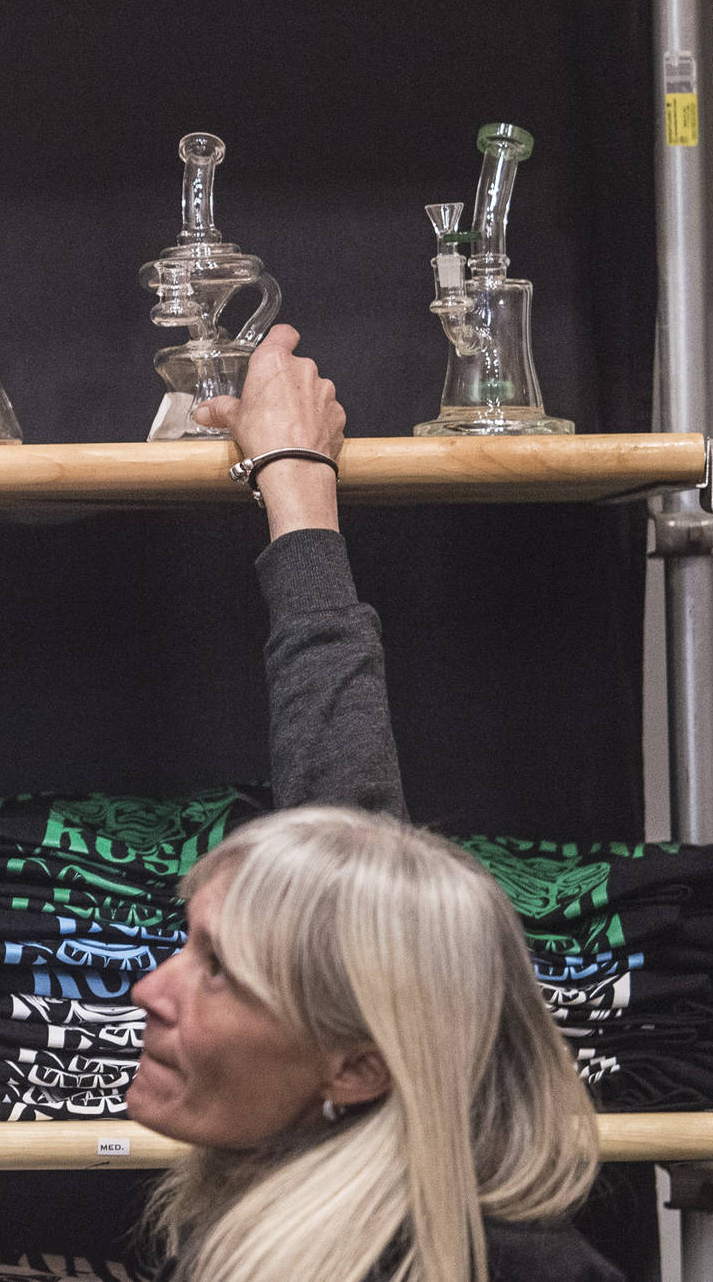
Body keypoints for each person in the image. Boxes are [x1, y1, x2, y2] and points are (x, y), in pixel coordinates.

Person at [121, 328, 620, 1282]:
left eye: (217, 968)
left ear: (356, 1068)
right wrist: (298, 491)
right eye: (190, 944)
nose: (149, 988)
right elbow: (347, 872)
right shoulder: (347, 1217)